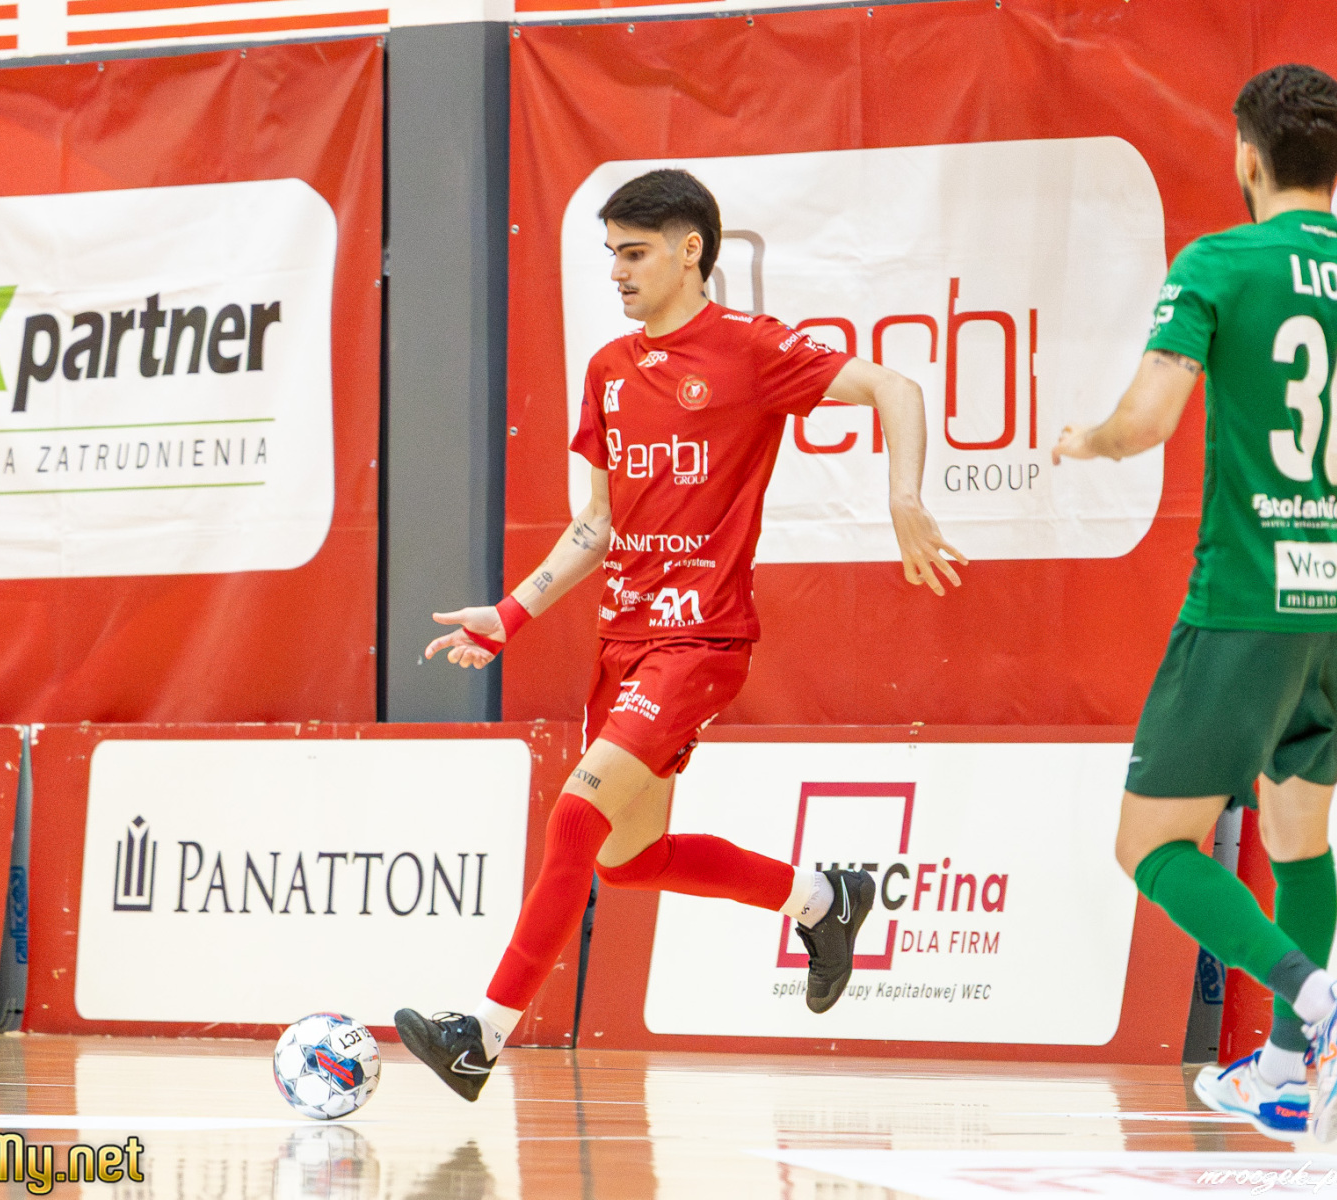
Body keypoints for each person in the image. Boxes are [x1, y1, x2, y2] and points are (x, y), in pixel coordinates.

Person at [395, 168, 967, 1101]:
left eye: (634, 252)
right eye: (611, 253)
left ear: (690, 250)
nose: (617, 271)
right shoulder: (608, 370)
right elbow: (598, 522)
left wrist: (904, 497)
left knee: (575, 817)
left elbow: (894, 387)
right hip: (621, 641)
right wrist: (509, 614)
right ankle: (825, 901)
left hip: (699, 641)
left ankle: (481, 1038)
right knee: (628, 862)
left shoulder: (751, 349)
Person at [1053, 64, 1337, 1143]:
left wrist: (1089, 440)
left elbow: (1149, 420)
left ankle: (1321, 1000)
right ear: (1335, 159)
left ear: (1246, 157)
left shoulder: (1220, 262)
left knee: (1149, 846)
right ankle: (1291, 1072)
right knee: (1300, 836)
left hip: (1248, 600)